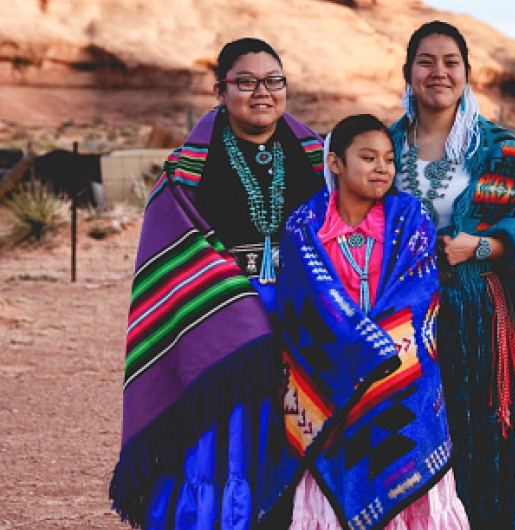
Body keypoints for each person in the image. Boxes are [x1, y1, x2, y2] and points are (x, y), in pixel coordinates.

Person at [109, 38, 326, 528]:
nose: (262, 92)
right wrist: (241, 306)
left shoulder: (317, 159)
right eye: (245, 82)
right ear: (220, 91)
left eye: (273, 81)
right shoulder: (189, 169)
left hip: (300, 321)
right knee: (223, 443)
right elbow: (171, 249)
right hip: (219, 324)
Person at [388, 21, 515, 529]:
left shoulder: (499, 150)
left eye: (451, 62)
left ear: (467, 74)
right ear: (407, 73)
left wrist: (481, 245)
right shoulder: (380, 146)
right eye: (426, 62)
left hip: (479, 319)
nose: (438, 72)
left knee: (485, 443)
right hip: (399, 319)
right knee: (406, 443)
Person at [274, 114, 470, 530]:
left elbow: (418, 297)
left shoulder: (411, 218)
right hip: (332, 383)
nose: (382, 167)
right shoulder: (304, 227)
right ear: (335, 163)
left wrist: (376, 353)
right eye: (367, 157)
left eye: (388, 159)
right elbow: (305, 306)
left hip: (401, 380)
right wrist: (359, 349)